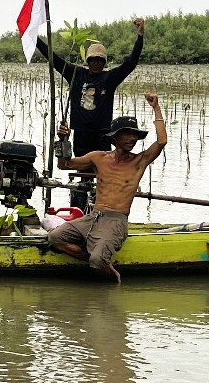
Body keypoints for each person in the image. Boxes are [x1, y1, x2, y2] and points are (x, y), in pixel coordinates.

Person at [48, 93, 166, 283]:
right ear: (115, 138)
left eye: (134, 134)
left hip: (115, 220)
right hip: (93, 217)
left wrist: (156, 107)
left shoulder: (139, 161)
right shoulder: (99, 157)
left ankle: (112, 276)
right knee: (54, 238)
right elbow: (65, 165)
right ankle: (101, 261)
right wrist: (63, 141)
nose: (132, 138)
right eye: (127, 134)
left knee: (96, 261)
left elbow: (161, 142)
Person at [37, 18, 146, 211]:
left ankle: (100, 208)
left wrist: (140, 35)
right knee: (81, 173)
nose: (96, 63)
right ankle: (78, 209)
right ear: (87, 61)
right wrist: (34, 38)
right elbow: (53, 58)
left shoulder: (110, 78)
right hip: (80, 134)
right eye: (93, 59)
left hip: (102, 135)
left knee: (101, 174)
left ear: (104, 62)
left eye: (100, 60)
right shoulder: (76, 74)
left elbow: (131, 63)